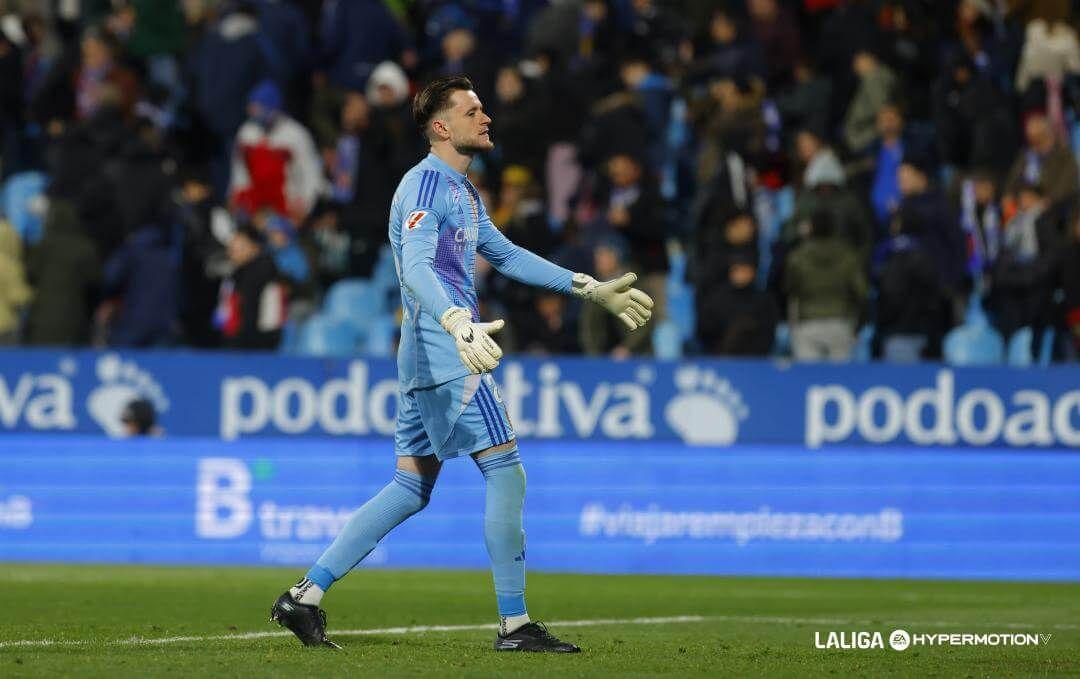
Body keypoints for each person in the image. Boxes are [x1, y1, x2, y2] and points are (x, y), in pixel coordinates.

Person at [269, 76, 654, 651]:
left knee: (409, 487)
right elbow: (419, 268)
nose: (487, 117)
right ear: (441, 126)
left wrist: (587, 286)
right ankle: (515, 625)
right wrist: (455, 320)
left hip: (427, 352)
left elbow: (503, 252)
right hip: (448, 350)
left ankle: (304, 596)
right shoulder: (427, 186)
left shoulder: (463, 192)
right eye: (474, 110)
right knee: (506, 471)